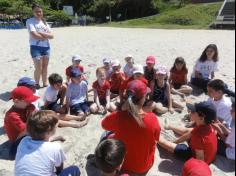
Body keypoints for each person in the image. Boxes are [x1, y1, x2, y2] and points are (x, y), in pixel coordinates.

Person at [102, 80, 161, 175]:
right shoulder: (152, 119)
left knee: (106, 134)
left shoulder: (119, 116)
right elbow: (156, 139)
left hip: (123, 164)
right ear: (143, 99)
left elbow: (104, 124)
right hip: (144, 166)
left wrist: (121, 109)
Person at [15, 110, 81, 176]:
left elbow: (40, 144)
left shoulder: (24, 141)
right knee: (74, 169)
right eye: (56, 126)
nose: (56, 127)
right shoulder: (55, 147)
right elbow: (59, 167)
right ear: (48, 131)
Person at [4, 86, 38, 159]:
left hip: (25, 133)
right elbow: (26, 130)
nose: (30, 102)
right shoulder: (12, 115)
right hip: (18, 141)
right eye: (27, 101)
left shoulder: (26, 106)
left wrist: (32, 110)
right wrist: (31, 116)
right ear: (16, 101)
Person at [26, 4, 54, 89]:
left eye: (40, 11)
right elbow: (34, 35)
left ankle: (45, 83)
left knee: (45, 67)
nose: (39, 13)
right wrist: (46, 36)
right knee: (38, 67)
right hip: (35, 47)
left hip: (46, 47)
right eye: (36, 11)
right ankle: (37, 83)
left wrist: (41, 33)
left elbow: (52, 36)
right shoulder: (30, 21)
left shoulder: (44, 22)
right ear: (33, 12)